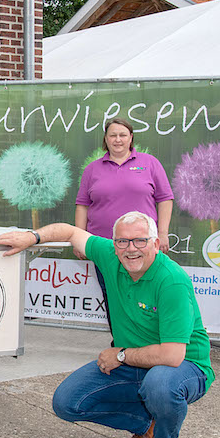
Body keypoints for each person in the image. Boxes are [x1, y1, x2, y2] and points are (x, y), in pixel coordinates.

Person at [0, 211, 213, 438]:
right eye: (122, 241)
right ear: (115, 244)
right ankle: (146, 425)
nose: (131, 249)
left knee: (159, 385)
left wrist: (121, 355)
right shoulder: (111, 255)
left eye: (140, 241)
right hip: (134, 361)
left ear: (156, 244)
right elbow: (70, 231)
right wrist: (32, 237)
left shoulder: (172, 281)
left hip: (184, 366)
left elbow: (172, 355)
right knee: (67, 403)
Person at [75, 117, 173, 333]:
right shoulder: (92, 169)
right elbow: (82, 205)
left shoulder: (150, 163)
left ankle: (147, 341)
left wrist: (163, 232)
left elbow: (165, 199)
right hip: (105, 247)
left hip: (142, 246)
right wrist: (80, 239)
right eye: (113, 135)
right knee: (112, 296)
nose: (117, 139)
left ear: (131, 138)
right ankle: (120, 341)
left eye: (122, 135)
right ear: (105, 139)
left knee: (146, 295)